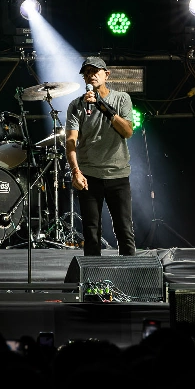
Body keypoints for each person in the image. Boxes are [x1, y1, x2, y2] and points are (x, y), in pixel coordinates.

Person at [65, 56, 136, 256]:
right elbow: (70, 141)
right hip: (89, 176)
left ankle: (130, 273)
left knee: (124, 230)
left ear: (106, 74)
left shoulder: (121, 98)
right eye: (87, 72)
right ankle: (93, 275)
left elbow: (128, 132)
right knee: (91, 232)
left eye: (95, 71)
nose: (91, 75)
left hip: (118, 174)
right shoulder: (76, 105)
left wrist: (102, 106)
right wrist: (75, 171)